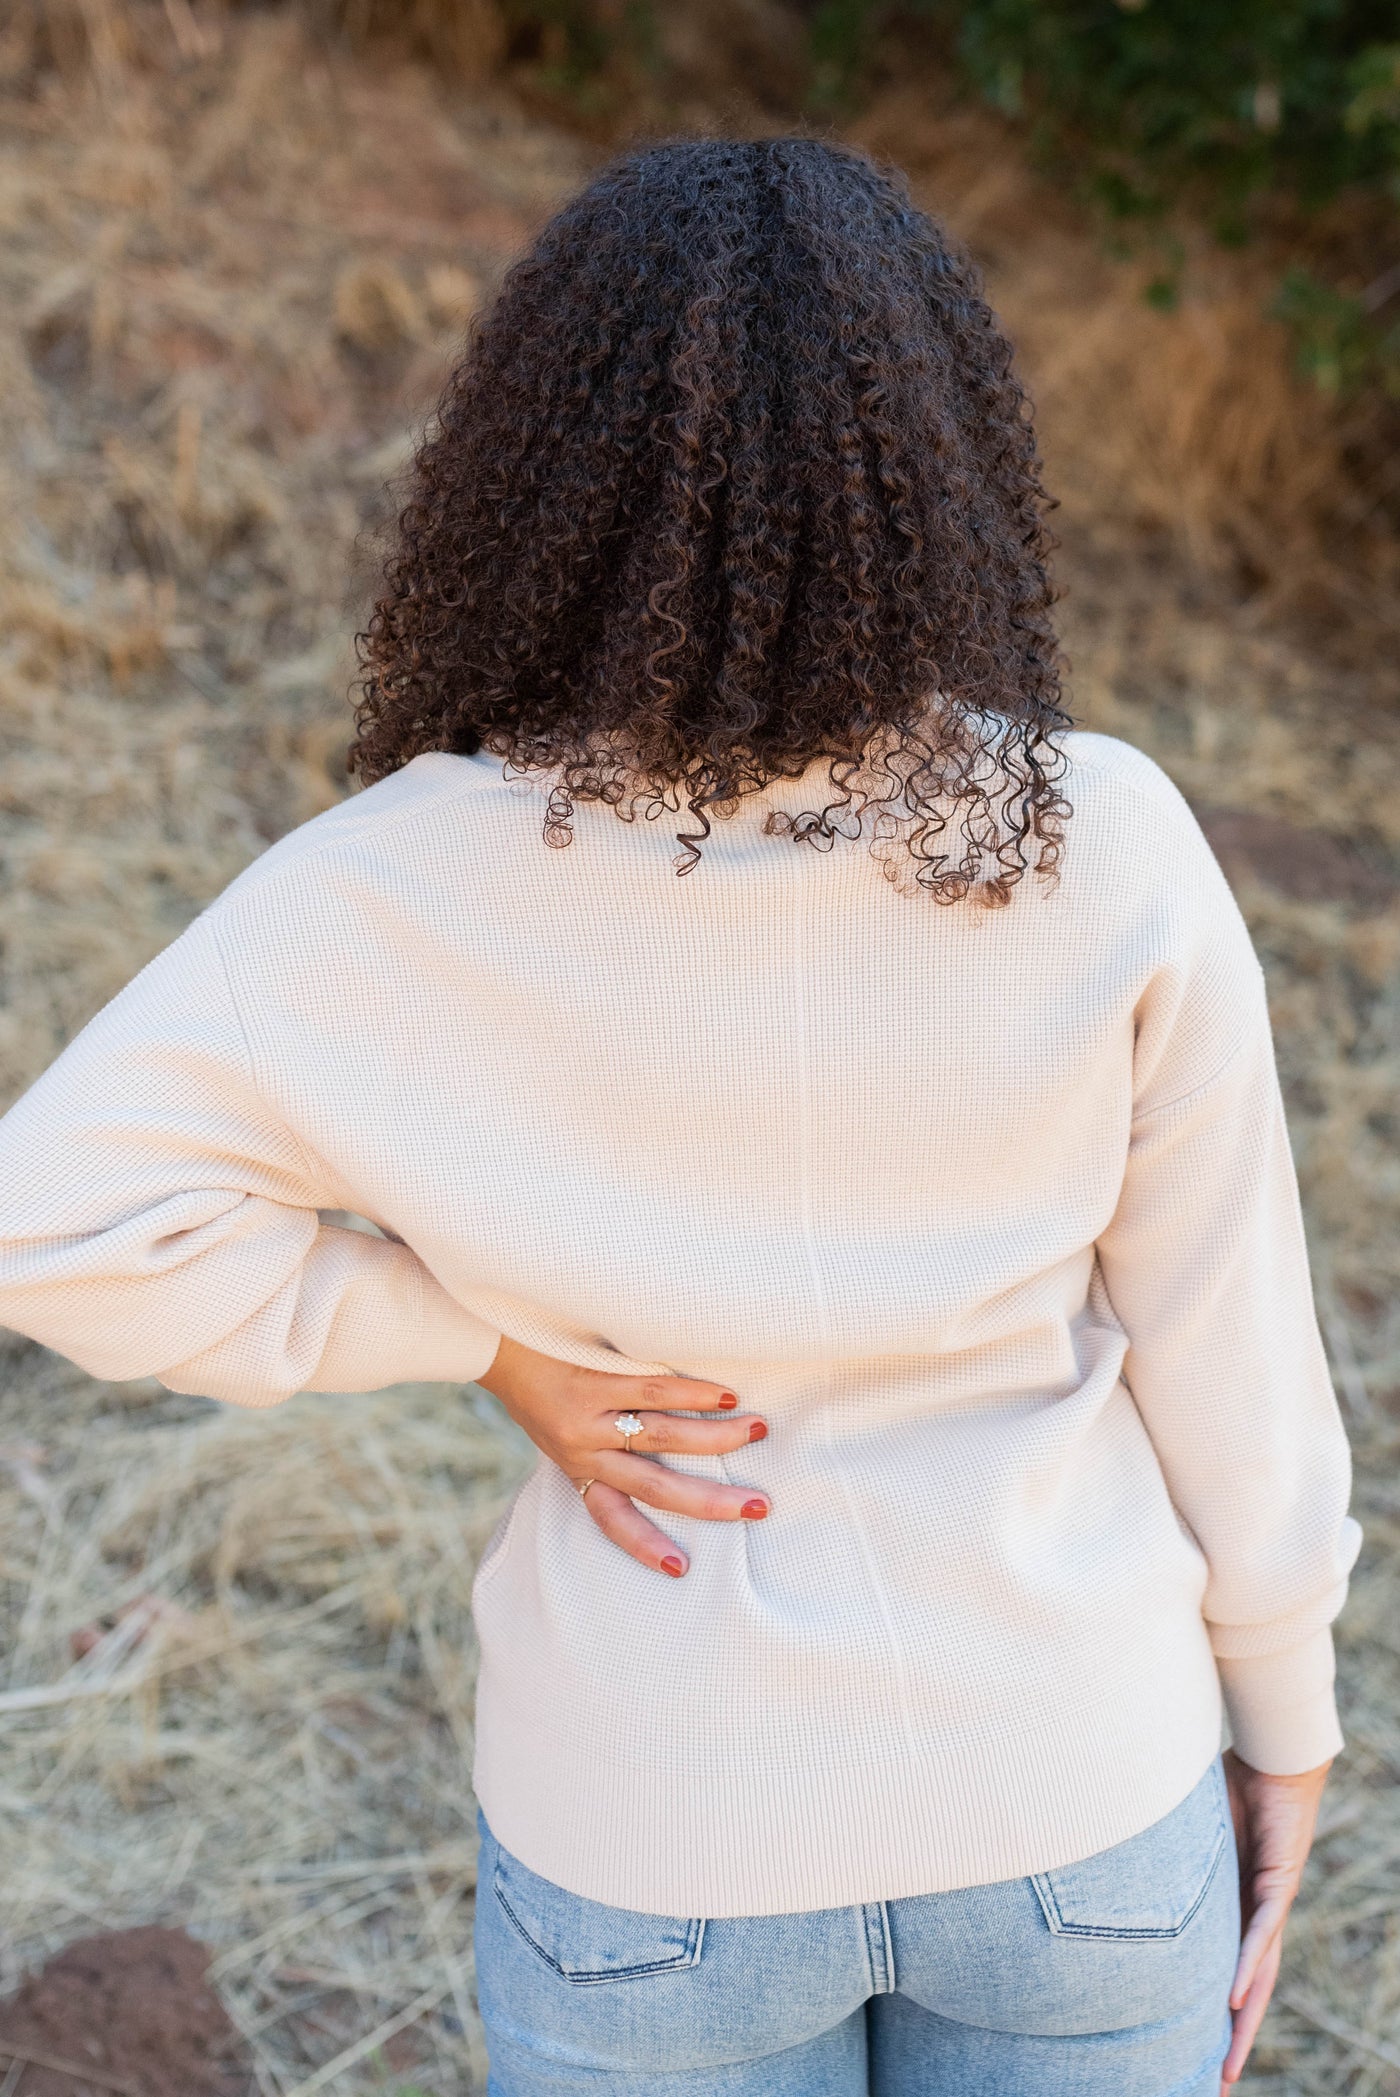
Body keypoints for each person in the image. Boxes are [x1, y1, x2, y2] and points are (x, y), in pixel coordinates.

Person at [0, 138, 1360, 2097]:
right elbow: (1234, 1362)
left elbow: (50, 1215)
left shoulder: (398, 882)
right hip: (1074, 1795)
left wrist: (474, 1341)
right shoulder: (1109, 841)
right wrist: (1285, 1717)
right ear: (941, 465)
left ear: (533, 476)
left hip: (652, 1839)